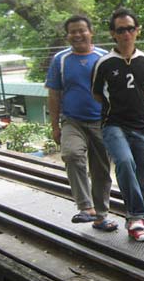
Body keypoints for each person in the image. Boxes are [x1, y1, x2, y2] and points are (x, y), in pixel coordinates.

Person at [92, 8, 144, 242]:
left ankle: (136, 223)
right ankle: (137, 216)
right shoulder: (104, 63)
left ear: (137, 30)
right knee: (124, 162)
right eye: (121, 30)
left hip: (141, 126)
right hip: (113, 124)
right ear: (113, 34)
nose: (126, 34)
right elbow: (98, 95)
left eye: (130, 29)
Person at [45, 15, 116, 232]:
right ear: (67, 36)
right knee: (71, 155)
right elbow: (54, 94)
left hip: (101, 122)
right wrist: (55, 126)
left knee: (101, 171)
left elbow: (116, 91)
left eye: (82, 30)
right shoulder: (61, 60)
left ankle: (101, 217)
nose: (77, 35)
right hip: (72, 121)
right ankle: (86, 206)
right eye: (73, 32)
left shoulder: (104, 57)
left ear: (90, 32)